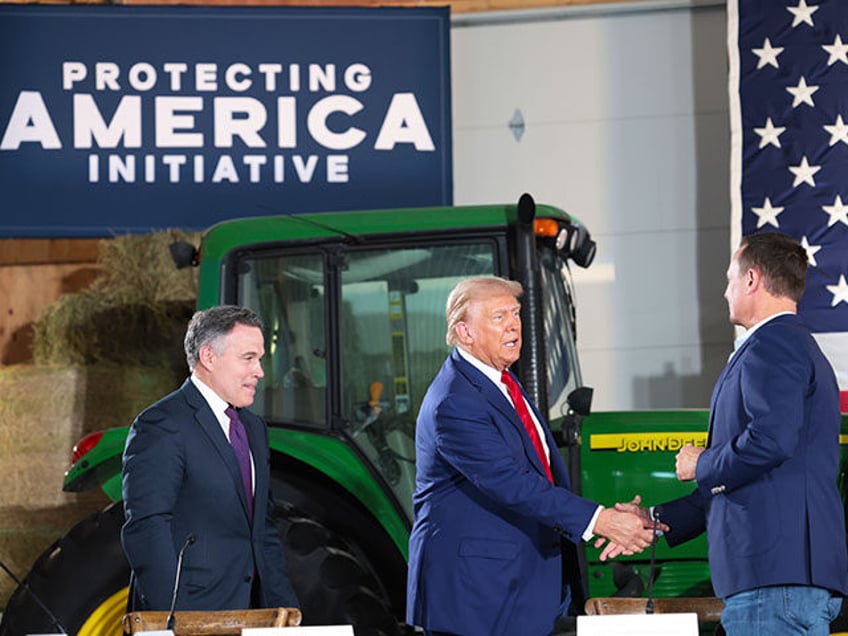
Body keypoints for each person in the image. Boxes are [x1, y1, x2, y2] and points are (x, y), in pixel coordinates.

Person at [615, 232, 848, 635]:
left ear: (752, 280)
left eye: (729, 280)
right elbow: (750, 476)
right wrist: (656, 519)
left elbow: (769, 442)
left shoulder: (772, 345)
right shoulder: (791, 345)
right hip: (783, 578)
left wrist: (700, 462)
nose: (725, 292)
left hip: (771, 579)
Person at [406, 276, 657, 636]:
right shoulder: (455, 401)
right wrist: (598, 520)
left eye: (516, 313)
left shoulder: (501, 381)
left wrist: (600, 517)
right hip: (479, 598)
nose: (513, 325)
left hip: (520, 587)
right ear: (464, 332)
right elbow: (509, 482)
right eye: (498, 317)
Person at [121, 305, 299, 612]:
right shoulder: (162, 424)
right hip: (191, 613)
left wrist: (285, 611)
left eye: (260, 359)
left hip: (254, 611)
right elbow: (147, 528)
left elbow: (263, 530)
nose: (260, 371)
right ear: (209, 357)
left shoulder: (254, 429)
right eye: (248, 358)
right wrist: (176, 621)